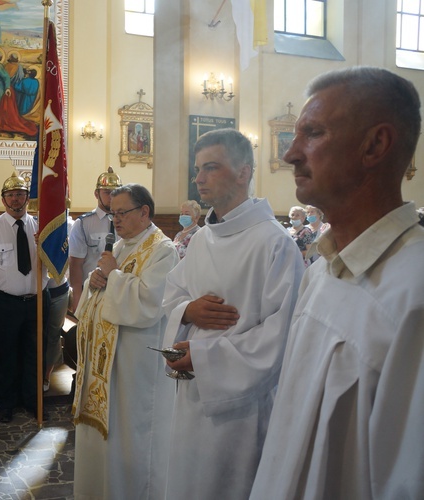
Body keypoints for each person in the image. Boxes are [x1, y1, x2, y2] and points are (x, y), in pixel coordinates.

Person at [251, 67, 424, 499]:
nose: (290, 153)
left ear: (375, 145)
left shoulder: (414, 291)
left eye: (313, 133)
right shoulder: (321, 273)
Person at [159, 129, 304, 499]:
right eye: (197, 169)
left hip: (240, 407)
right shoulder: (204, 238)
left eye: (211, 168)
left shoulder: (275, 243)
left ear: (243, 172)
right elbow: (173, 294)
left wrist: (206, 358)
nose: (199, 178)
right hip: (191, 393)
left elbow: (281, 335)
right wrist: (187, 311)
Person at [72, 183, 178, 500]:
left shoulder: (162, 250)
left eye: (122, 213)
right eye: (112, 213)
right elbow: (100, 288)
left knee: (130, 438)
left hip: (135, 366)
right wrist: (95, 280)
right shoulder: (121, 246)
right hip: (107, 365)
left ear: (144, 212)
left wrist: (114, 276)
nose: (115, 220)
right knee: (106, 441)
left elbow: (149, 302)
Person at [0, 172, 48, 423]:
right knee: (5, 354)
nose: (16, 199)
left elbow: (58, 264)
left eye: (20, 194)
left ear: (28, 198)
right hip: (5, 302)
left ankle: (32, 401)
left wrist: (45, 246)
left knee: (34, 354)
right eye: (11, 195)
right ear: (3, 200)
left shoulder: (42, 227)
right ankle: (5, 403)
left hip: (37, 301)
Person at [68, 167, 122, 313]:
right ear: (96, 194)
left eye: (116, 193)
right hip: (91, 291)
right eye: (107, 193)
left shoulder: (127, 221)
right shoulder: (84, 223)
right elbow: (76, 266)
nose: (112, 197)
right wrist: (78, 303)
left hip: (121, 291)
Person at [43, 212, 74, 393]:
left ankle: (47, 375)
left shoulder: (71, 226)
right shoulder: (34, 223)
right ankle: (32, 374)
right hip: (37, 292)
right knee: (34, 334)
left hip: (59, 290)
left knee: (53, 335)